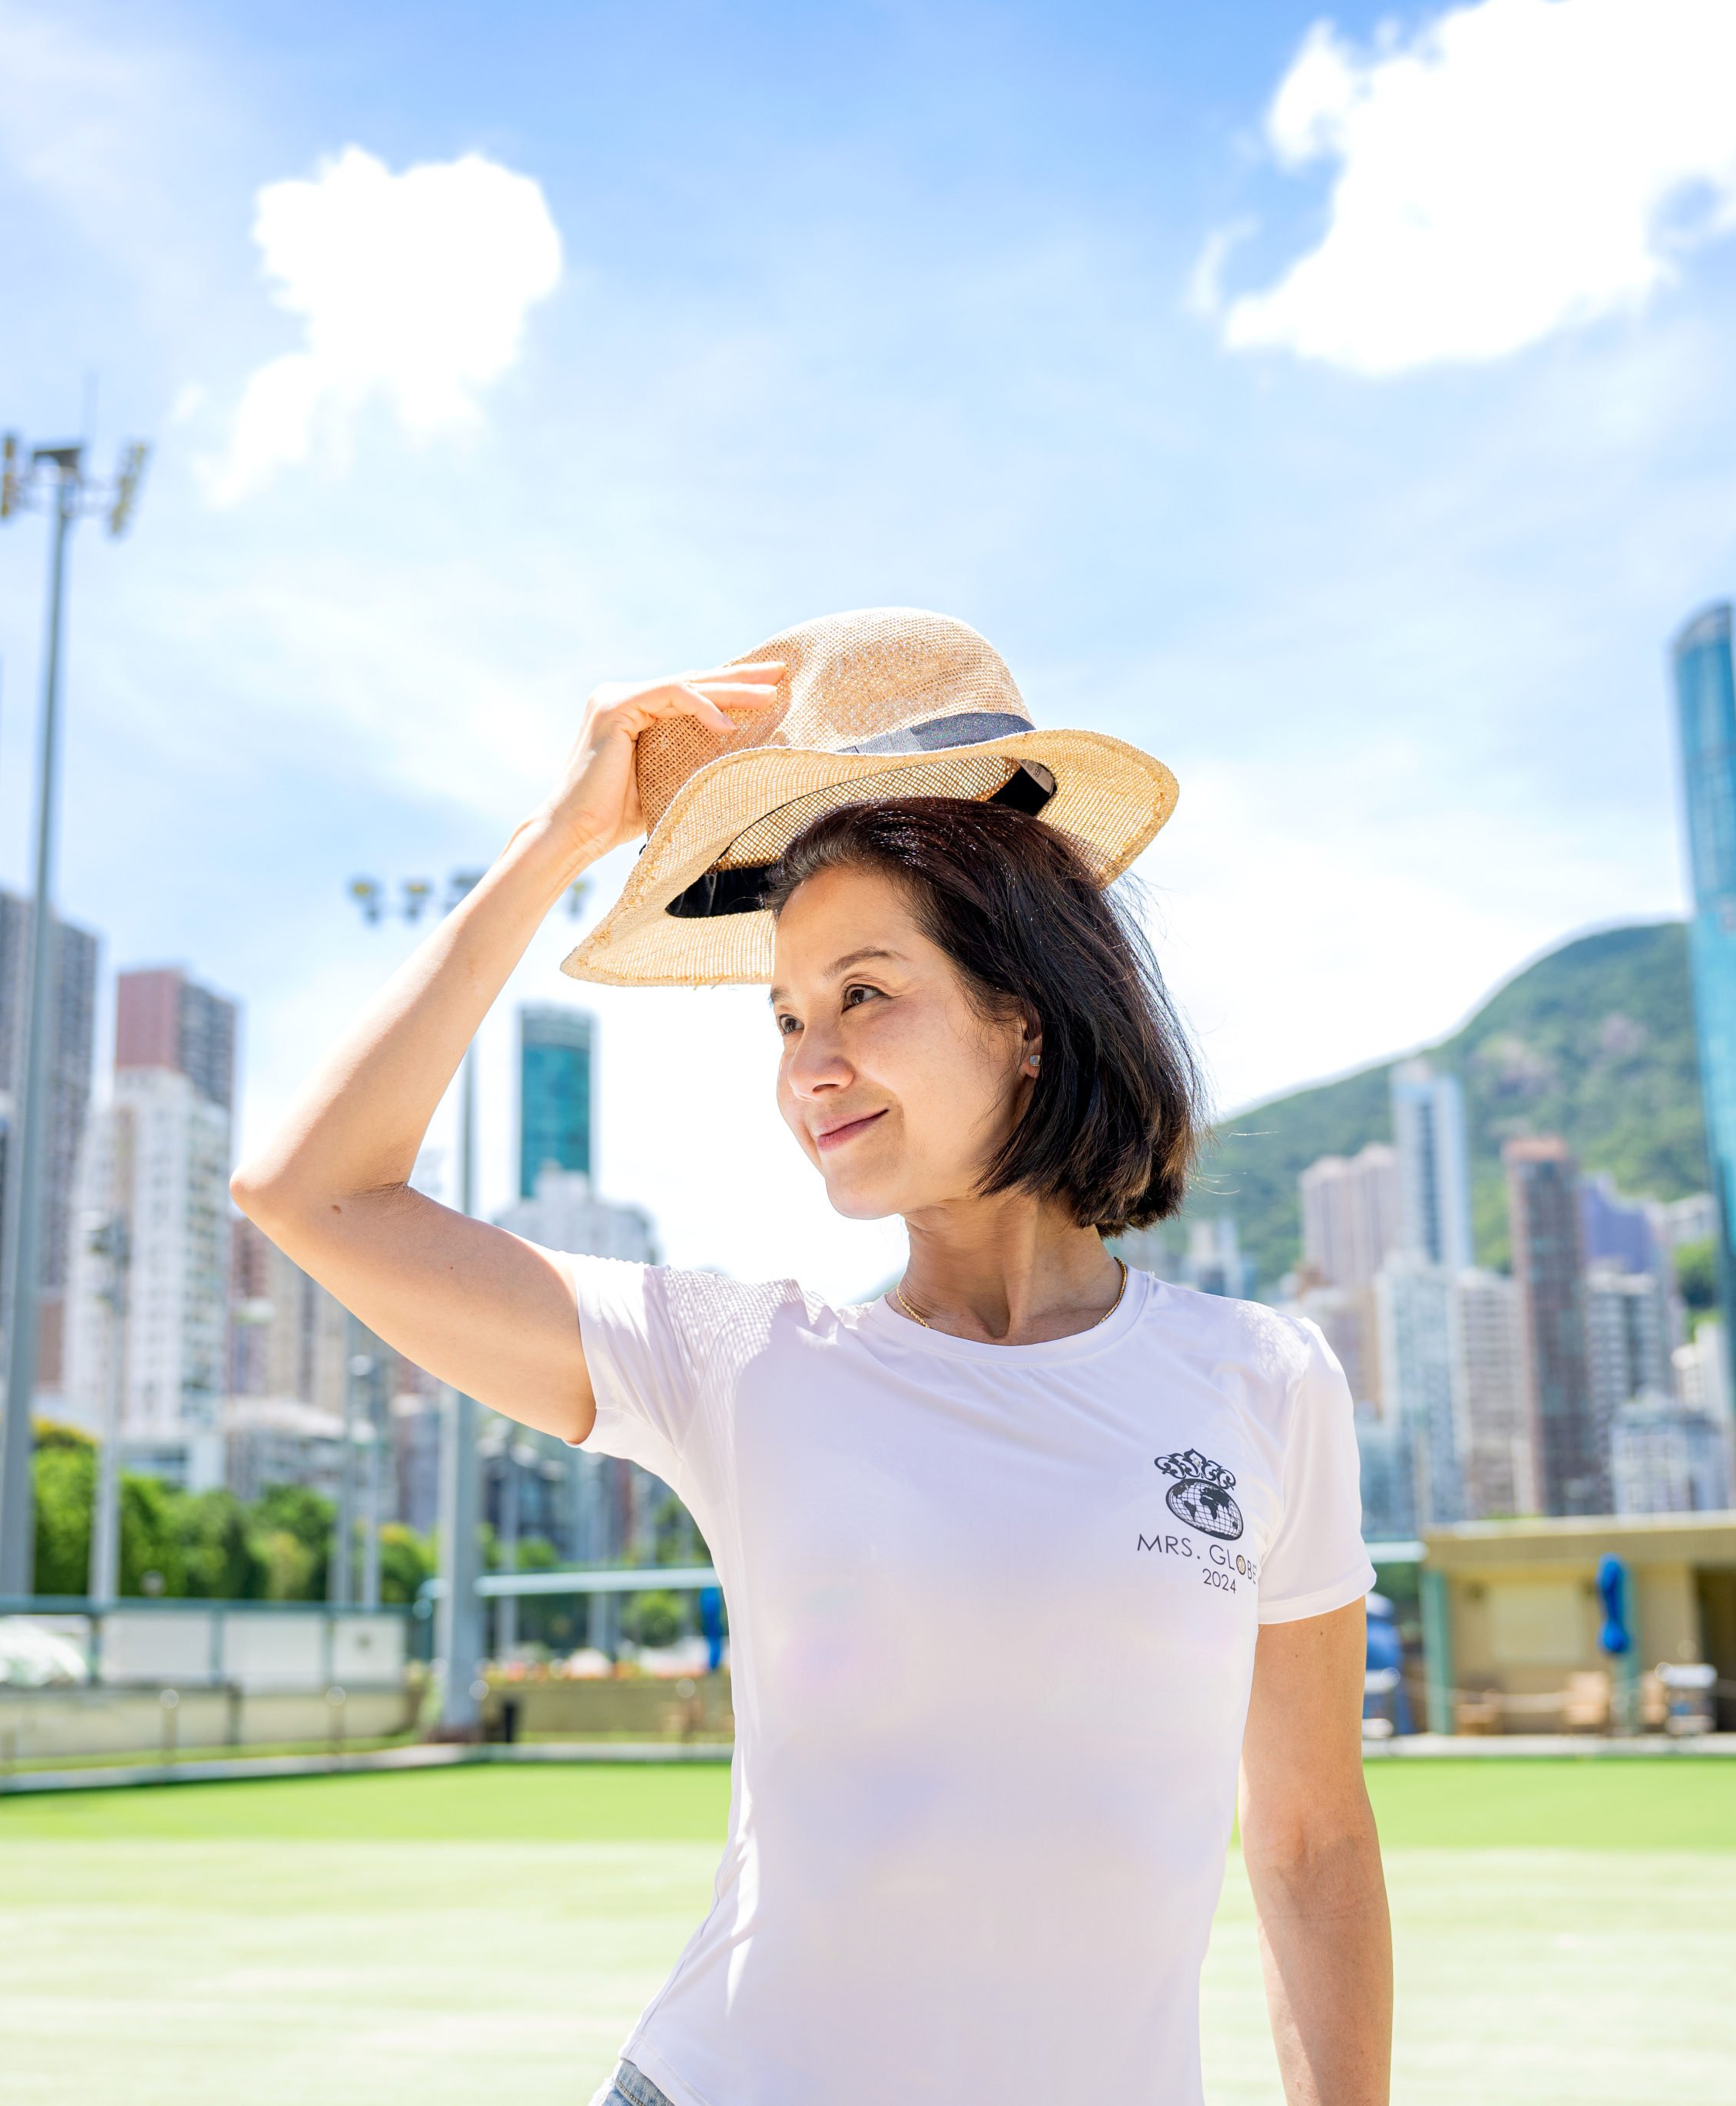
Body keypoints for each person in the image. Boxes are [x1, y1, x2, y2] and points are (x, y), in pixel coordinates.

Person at [235, 609, 1390, 2106]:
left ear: (1025, 1019)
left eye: (863, 993)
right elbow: (308, 1193)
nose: (807, 1066)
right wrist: (553, 838)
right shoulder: (734, 1364)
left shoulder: (1261, 1381)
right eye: (781, 1017)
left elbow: (1307, 1836)